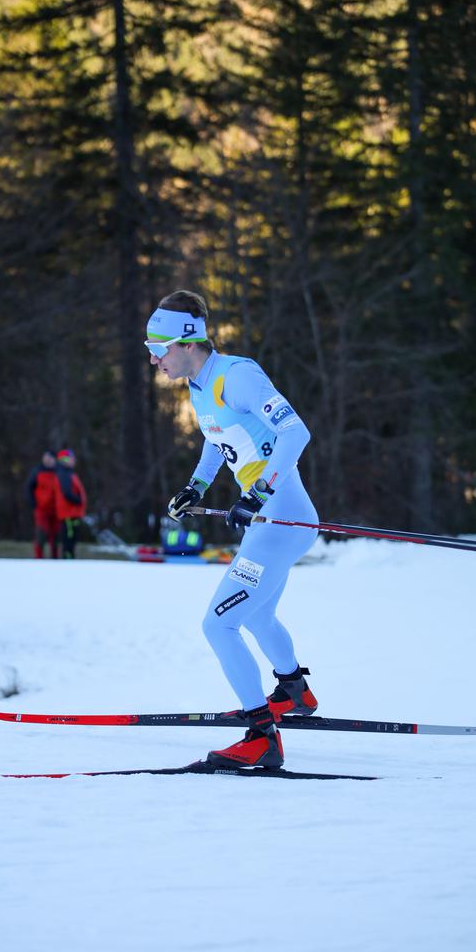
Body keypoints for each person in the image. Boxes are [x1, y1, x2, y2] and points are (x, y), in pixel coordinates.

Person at [146, 289, 319, 769]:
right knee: (257, 617)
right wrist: (196, 487)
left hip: (280, 519)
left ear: (186, 342)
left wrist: (259, 492)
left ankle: (261, 736)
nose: (155, 360)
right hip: (273, 522)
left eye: (158, 349)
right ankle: (294, 691)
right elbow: (214, 440)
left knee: (218, 624)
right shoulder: (199, 386)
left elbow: (295, 433)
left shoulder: (236, 375)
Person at [26, 450, 62, 559]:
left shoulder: (59, 472)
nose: (47, 460)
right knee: (41, 534)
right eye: (45, 457)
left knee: (55, 536)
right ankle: (39, 559)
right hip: (41, 509)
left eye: (49, 458)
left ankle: (55, 559)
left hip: (57, 510)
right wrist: (34, 503)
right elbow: (29, 488)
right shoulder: (37, 472)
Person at [56, 449, 87, 559]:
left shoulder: (68, 473)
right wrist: (79, 500)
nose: (74, 461)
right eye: (71, 459)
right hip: (68, 513)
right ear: (64, 460)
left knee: (72, 539)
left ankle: (70, 559)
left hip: (72, 512)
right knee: (68, 539)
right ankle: (68, 561)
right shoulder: (64, 473)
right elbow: (67, 492)